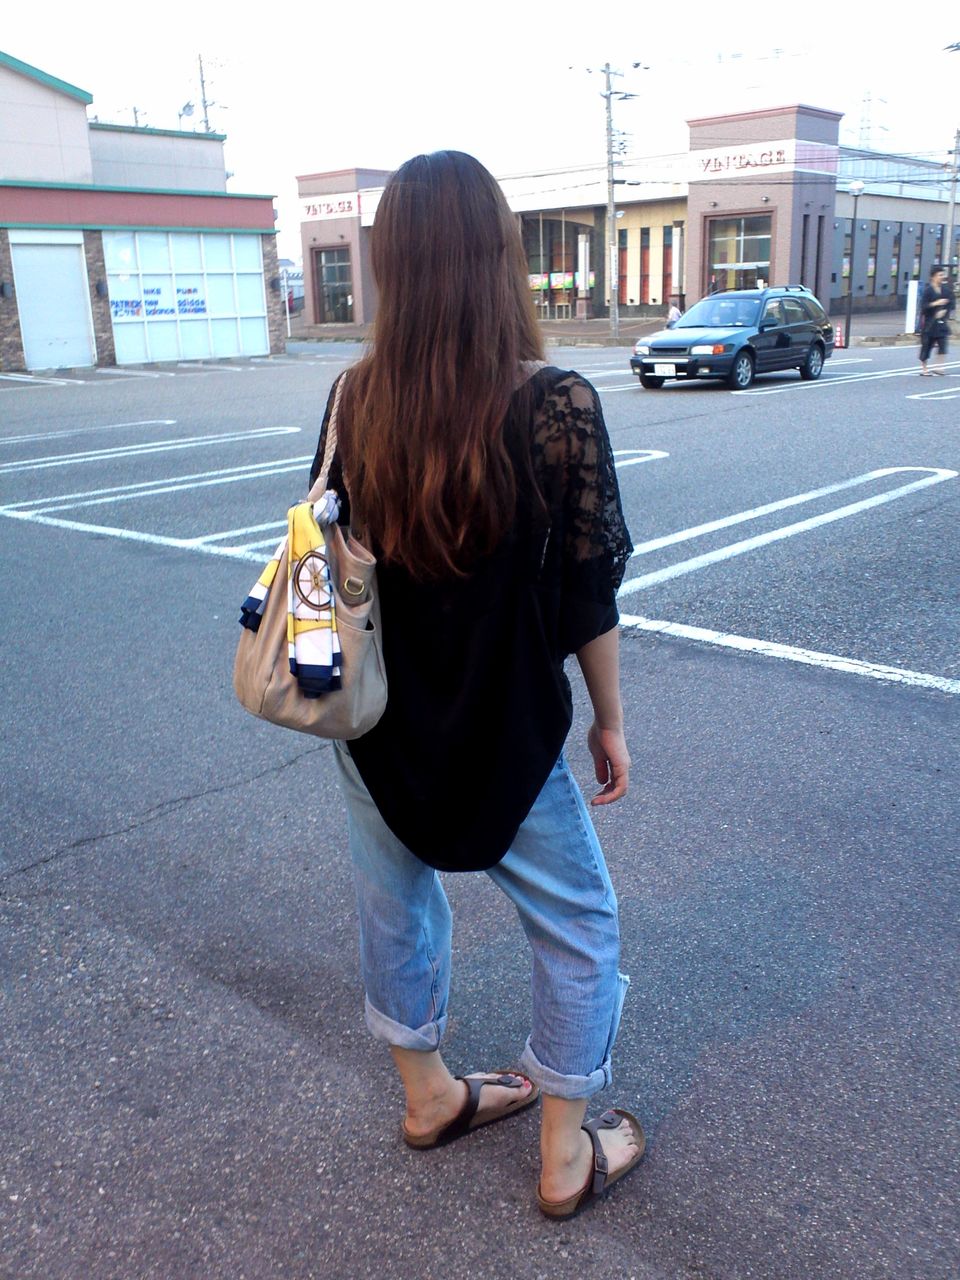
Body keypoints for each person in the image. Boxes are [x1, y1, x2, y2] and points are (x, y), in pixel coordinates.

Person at [307, 150, 643, 1220]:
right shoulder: (555, 404)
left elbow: (331, 556)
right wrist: (609, 721)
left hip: (375, 722)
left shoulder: (356, 399)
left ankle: (429, 1097)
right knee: (579, 924)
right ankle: (562, 1154)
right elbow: (588, 590)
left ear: (395, 265)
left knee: (393, 900)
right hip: (509, 727)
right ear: (499, 256)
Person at [918, 265, 954, 375]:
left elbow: (951, 303)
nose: (942, 277)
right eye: (940, 275)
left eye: (943, 275)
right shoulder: (928, 291)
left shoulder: (946, 290)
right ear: (933, 277)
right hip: (930, 323)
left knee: (943, 344)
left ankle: (939, 367)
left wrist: (945, 311)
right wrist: (935, 303)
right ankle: (924, 368)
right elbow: (923, 307)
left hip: (941, 322)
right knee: (927, 345)